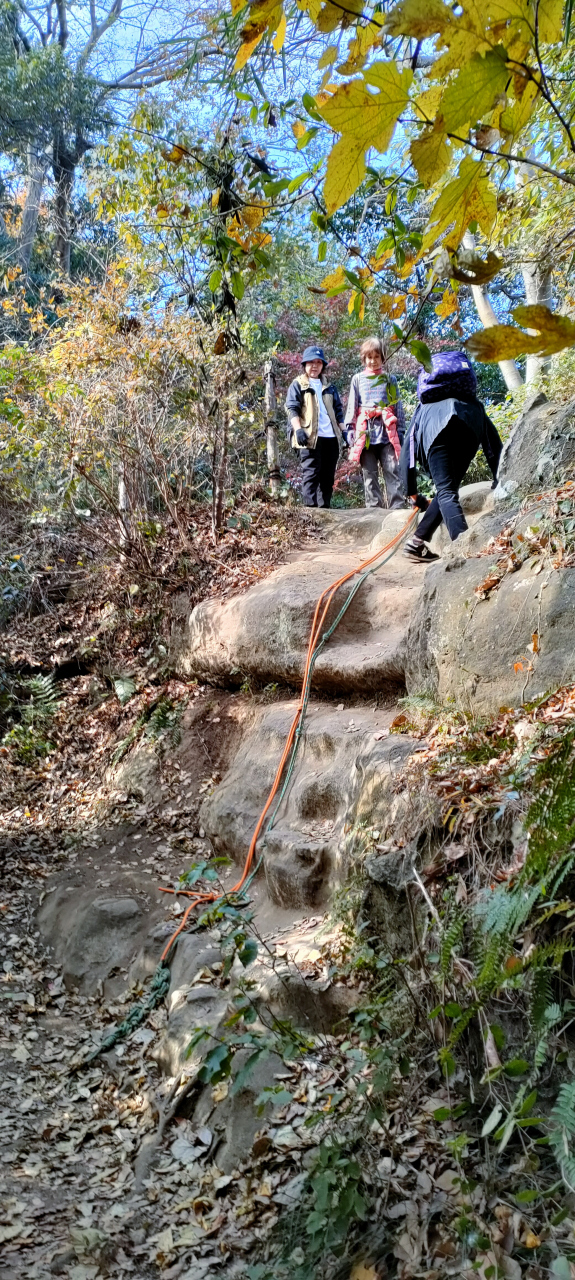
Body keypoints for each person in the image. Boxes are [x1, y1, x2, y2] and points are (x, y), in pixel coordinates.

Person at [399, 350, 503, 563]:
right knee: (448, 490)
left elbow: (407, 451)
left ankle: (463, 550)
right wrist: (499, 476)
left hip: (435, 433)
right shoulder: (474, 405)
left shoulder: (424, 408)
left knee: (446, 491)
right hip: (468, 429)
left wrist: (411, 491)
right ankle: (417, 541)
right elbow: (492, 442)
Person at [344, 336, 406, 510]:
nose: (373, 361)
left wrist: (401, 429)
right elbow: (352, 405)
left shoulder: (389, 379)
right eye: (369, 357)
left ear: (382, 358)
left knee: (392, 470)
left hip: (387, 430)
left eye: (376, 357)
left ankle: (398, 508)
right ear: (364, 359)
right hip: (366, 431)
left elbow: (397, 405)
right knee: (369, 474)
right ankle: (373, 510)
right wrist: (350, 430)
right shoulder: (357, 379)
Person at [285, 345, 344, 508]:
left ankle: (324, 510)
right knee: (311, 474)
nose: (315, 366)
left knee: (327, 477)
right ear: (304, 365)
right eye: (311, 362)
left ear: (323, 366)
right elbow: (292, 408)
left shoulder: (330, 387)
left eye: (318, 362)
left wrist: (344, 431)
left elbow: (338, 411)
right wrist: (298, 430)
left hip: (330, 438)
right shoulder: (298, 384)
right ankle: (310, 512)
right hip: (309, 436)